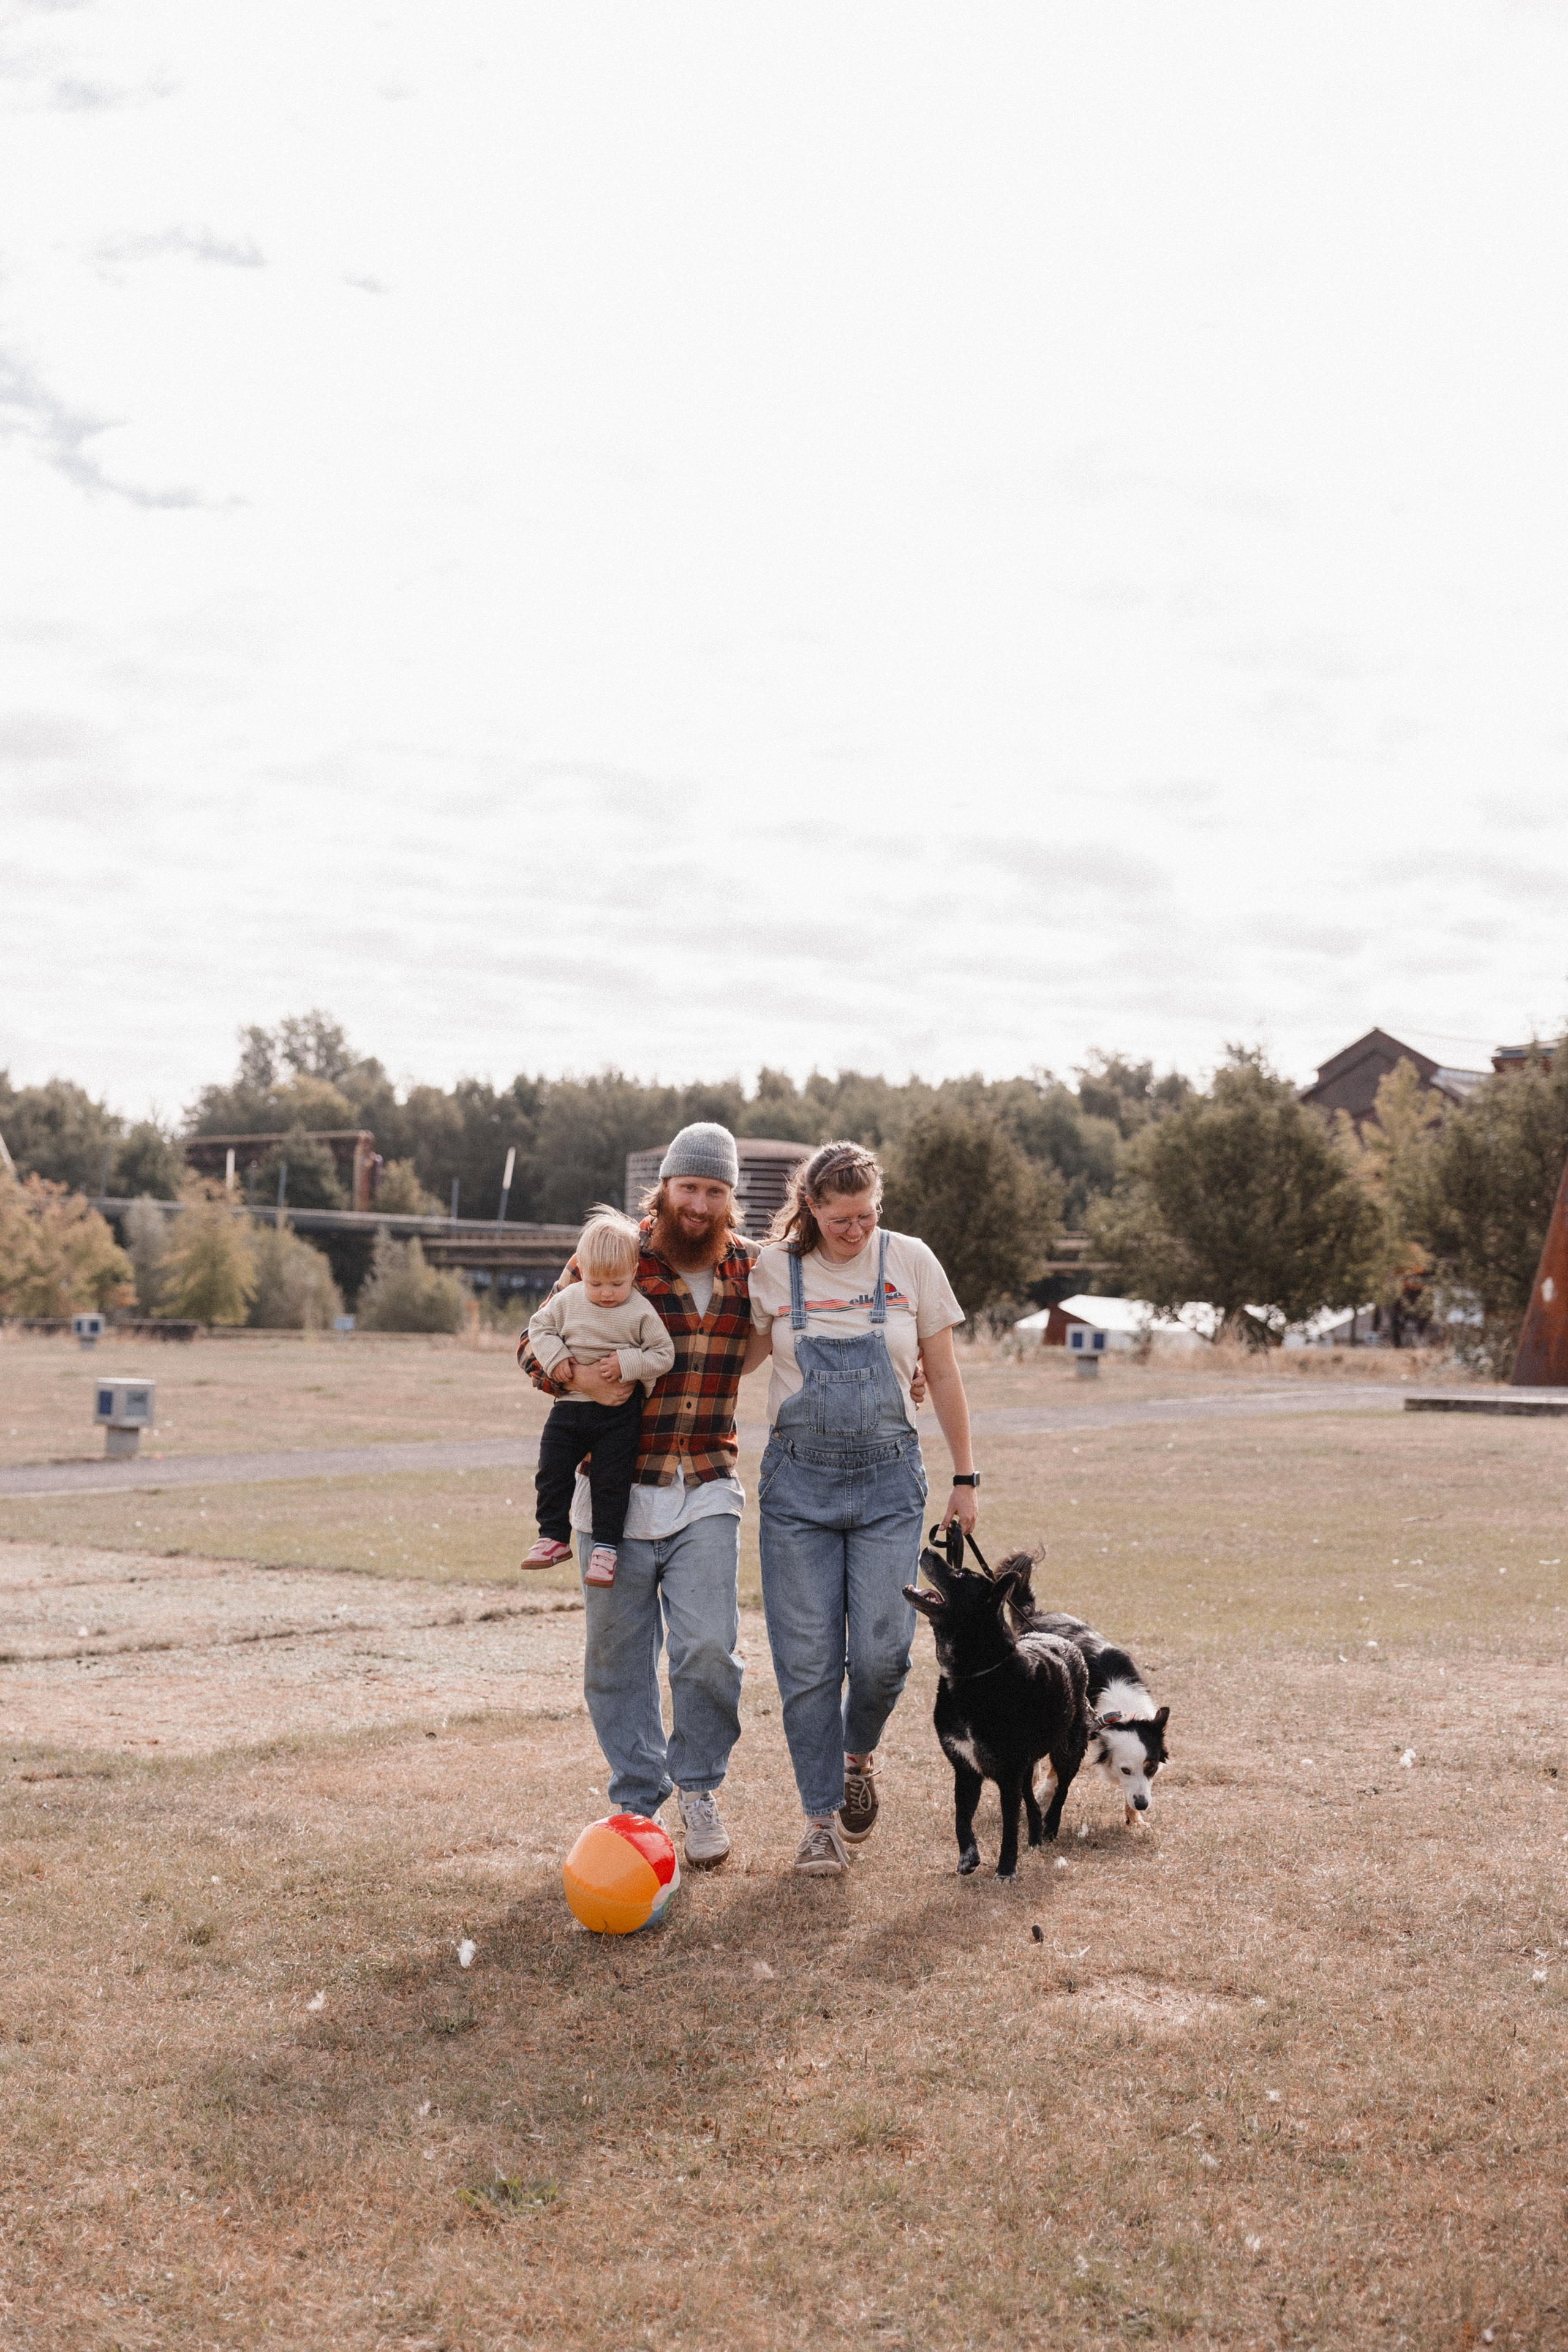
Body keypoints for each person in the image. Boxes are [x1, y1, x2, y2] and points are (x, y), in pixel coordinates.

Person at [516, 1123, 757, 1868]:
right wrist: (574, 1378)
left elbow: (816, 1321)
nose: (699, 1203)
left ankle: (698, 1789)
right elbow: (532, 1341)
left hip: (706, 1480)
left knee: (708, 1647)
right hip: (615, 1489)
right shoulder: (613, 1255)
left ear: (729, 1199)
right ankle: (634, 1804)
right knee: (617, 1655)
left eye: (714, 1191)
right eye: (689, 1187)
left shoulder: (752, 1267)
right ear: (665, 1189)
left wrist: (905, 1365)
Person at [749, 1140, 978, 1877]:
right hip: (797, 1489)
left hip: (888, 1485)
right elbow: (743, 1355)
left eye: (868, 1215)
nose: (856, 1230)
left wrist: (965, 1476)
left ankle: (857, 1757)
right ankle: (819, 1819)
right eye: (841, 1218)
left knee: (882, 1656)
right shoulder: (772, 1269)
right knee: (808, 1662)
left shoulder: (910, 1260)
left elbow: (940, 1370)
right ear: (810, 1208)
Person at [522, 1208, 676, 1588]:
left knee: (612, 1480)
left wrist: (627, 1363)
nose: (606, 1293)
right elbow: (538, 1327)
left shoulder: (640, 1310)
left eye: (617, 1284)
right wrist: (559, 1360)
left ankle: (606, 1549)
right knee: (552, 1468)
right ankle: (552, 1536)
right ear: (583, 1274)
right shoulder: (569, 1299)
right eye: (596, 1284)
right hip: (570, 1407)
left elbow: (663, 1355)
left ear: (634, 1273)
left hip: (620, 1415)